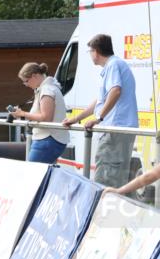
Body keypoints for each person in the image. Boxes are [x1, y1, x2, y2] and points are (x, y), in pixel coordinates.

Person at [62, 34, 139, 187]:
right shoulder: (115, 65)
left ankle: (105, 202)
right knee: (116, 177)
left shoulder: (112, 65)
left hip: (115, 128)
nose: (90, 55)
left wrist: (99, 118)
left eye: (90, 51)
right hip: (119, 129)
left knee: (106, 178)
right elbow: (100, 101)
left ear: (96, 51)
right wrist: (76, 119)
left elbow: (115, 91)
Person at [10, 62, 70, 164]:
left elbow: (46, 118)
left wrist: (23, 114)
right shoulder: (48, 88)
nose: (26, 85)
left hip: (47, 139)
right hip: (49, 139)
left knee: (33, 172)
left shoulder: (47, 90)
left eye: (26, 81)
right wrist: (22, 115)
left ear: (34, 76)